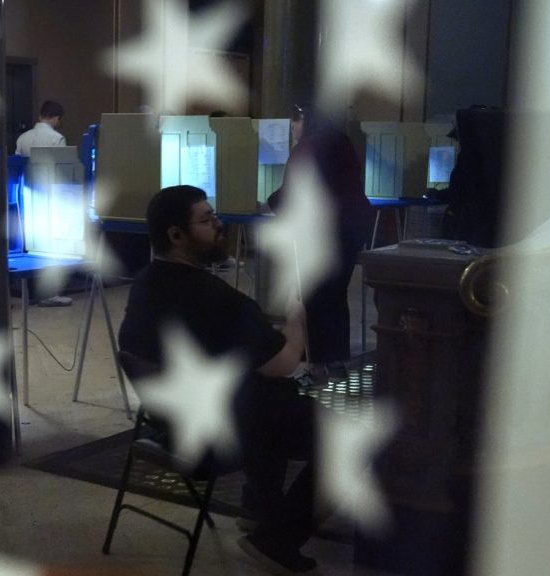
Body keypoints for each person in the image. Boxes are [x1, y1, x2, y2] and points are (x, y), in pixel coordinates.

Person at [118, 185, 323, 574]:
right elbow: (280, 362)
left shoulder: (146, 283)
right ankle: (275, 540)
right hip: (215, 435)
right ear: (176, 235)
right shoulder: (215, 297)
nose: (219, 225)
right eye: (207, 219)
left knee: (269, 399)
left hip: (170, 422)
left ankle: (259, 508)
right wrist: (297, 322)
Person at [268, 105, 374, 382]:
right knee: (335, 298)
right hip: (349, 229)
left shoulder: (308, 147)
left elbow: (294, 193)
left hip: (319, 234)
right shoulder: (341, 141)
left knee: (315, 299)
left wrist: (271, 202)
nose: (293, 127)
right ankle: (336, 363)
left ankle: (318, 366)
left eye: (296, 121)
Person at [15, 100, 73, 306]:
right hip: (49, 197)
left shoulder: (23, 137)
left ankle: (27, 290)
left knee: (29, 246)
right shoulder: (57, 138)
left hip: (25, 196)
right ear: (56, 118)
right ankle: (50, 293)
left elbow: (17, 167)